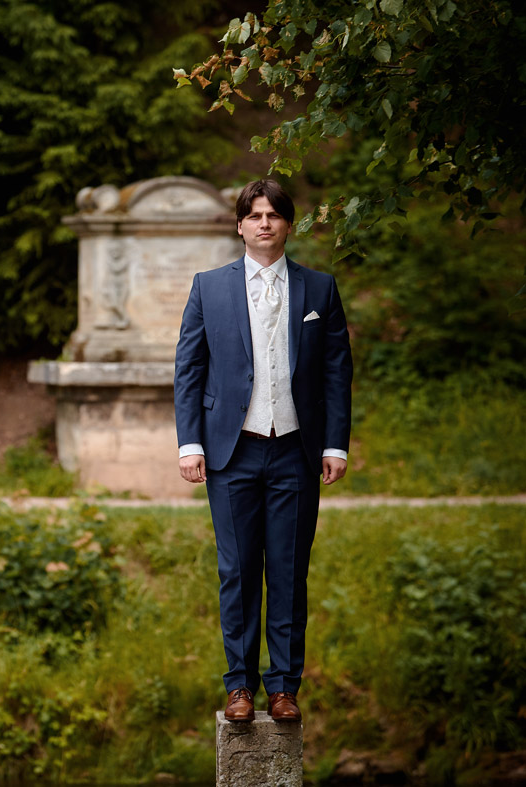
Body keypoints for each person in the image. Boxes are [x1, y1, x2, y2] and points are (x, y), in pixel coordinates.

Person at [173, 179, 352, 723]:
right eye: (255, 215)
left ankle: (284, 687)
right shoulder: (209, 287)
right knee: (238, 570)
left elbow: (335, 372)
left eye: (274, 214)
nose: (265, 223)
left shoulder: (319, 289)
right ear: (240, 225)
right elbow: (189, 368)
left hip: (296, 452)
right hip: (231, 453)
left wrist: (334, 443)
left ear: (288, 225)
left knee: (289, 571)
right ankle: (240, 687)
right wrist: (189, 441)